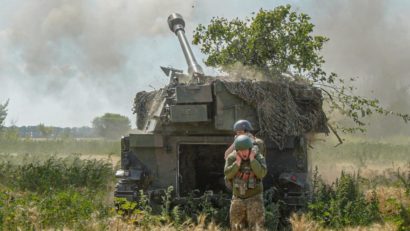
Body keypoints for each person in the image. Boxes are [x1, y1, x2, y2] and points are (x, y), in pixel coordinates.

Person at [224, 135, 267, 230]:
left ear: (250, 149)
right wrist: (237, 164)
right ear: (237, 151)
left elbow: (262, 173)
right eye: (241, 150)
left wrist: (252, 159)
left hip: (255, 197)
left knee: (257, 227)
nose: (244, 152)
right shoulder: (232, 158)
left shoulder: (258, 157)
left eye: (246, 150)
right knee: (236, 227)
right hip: (237, 197)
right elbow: (228, 174)